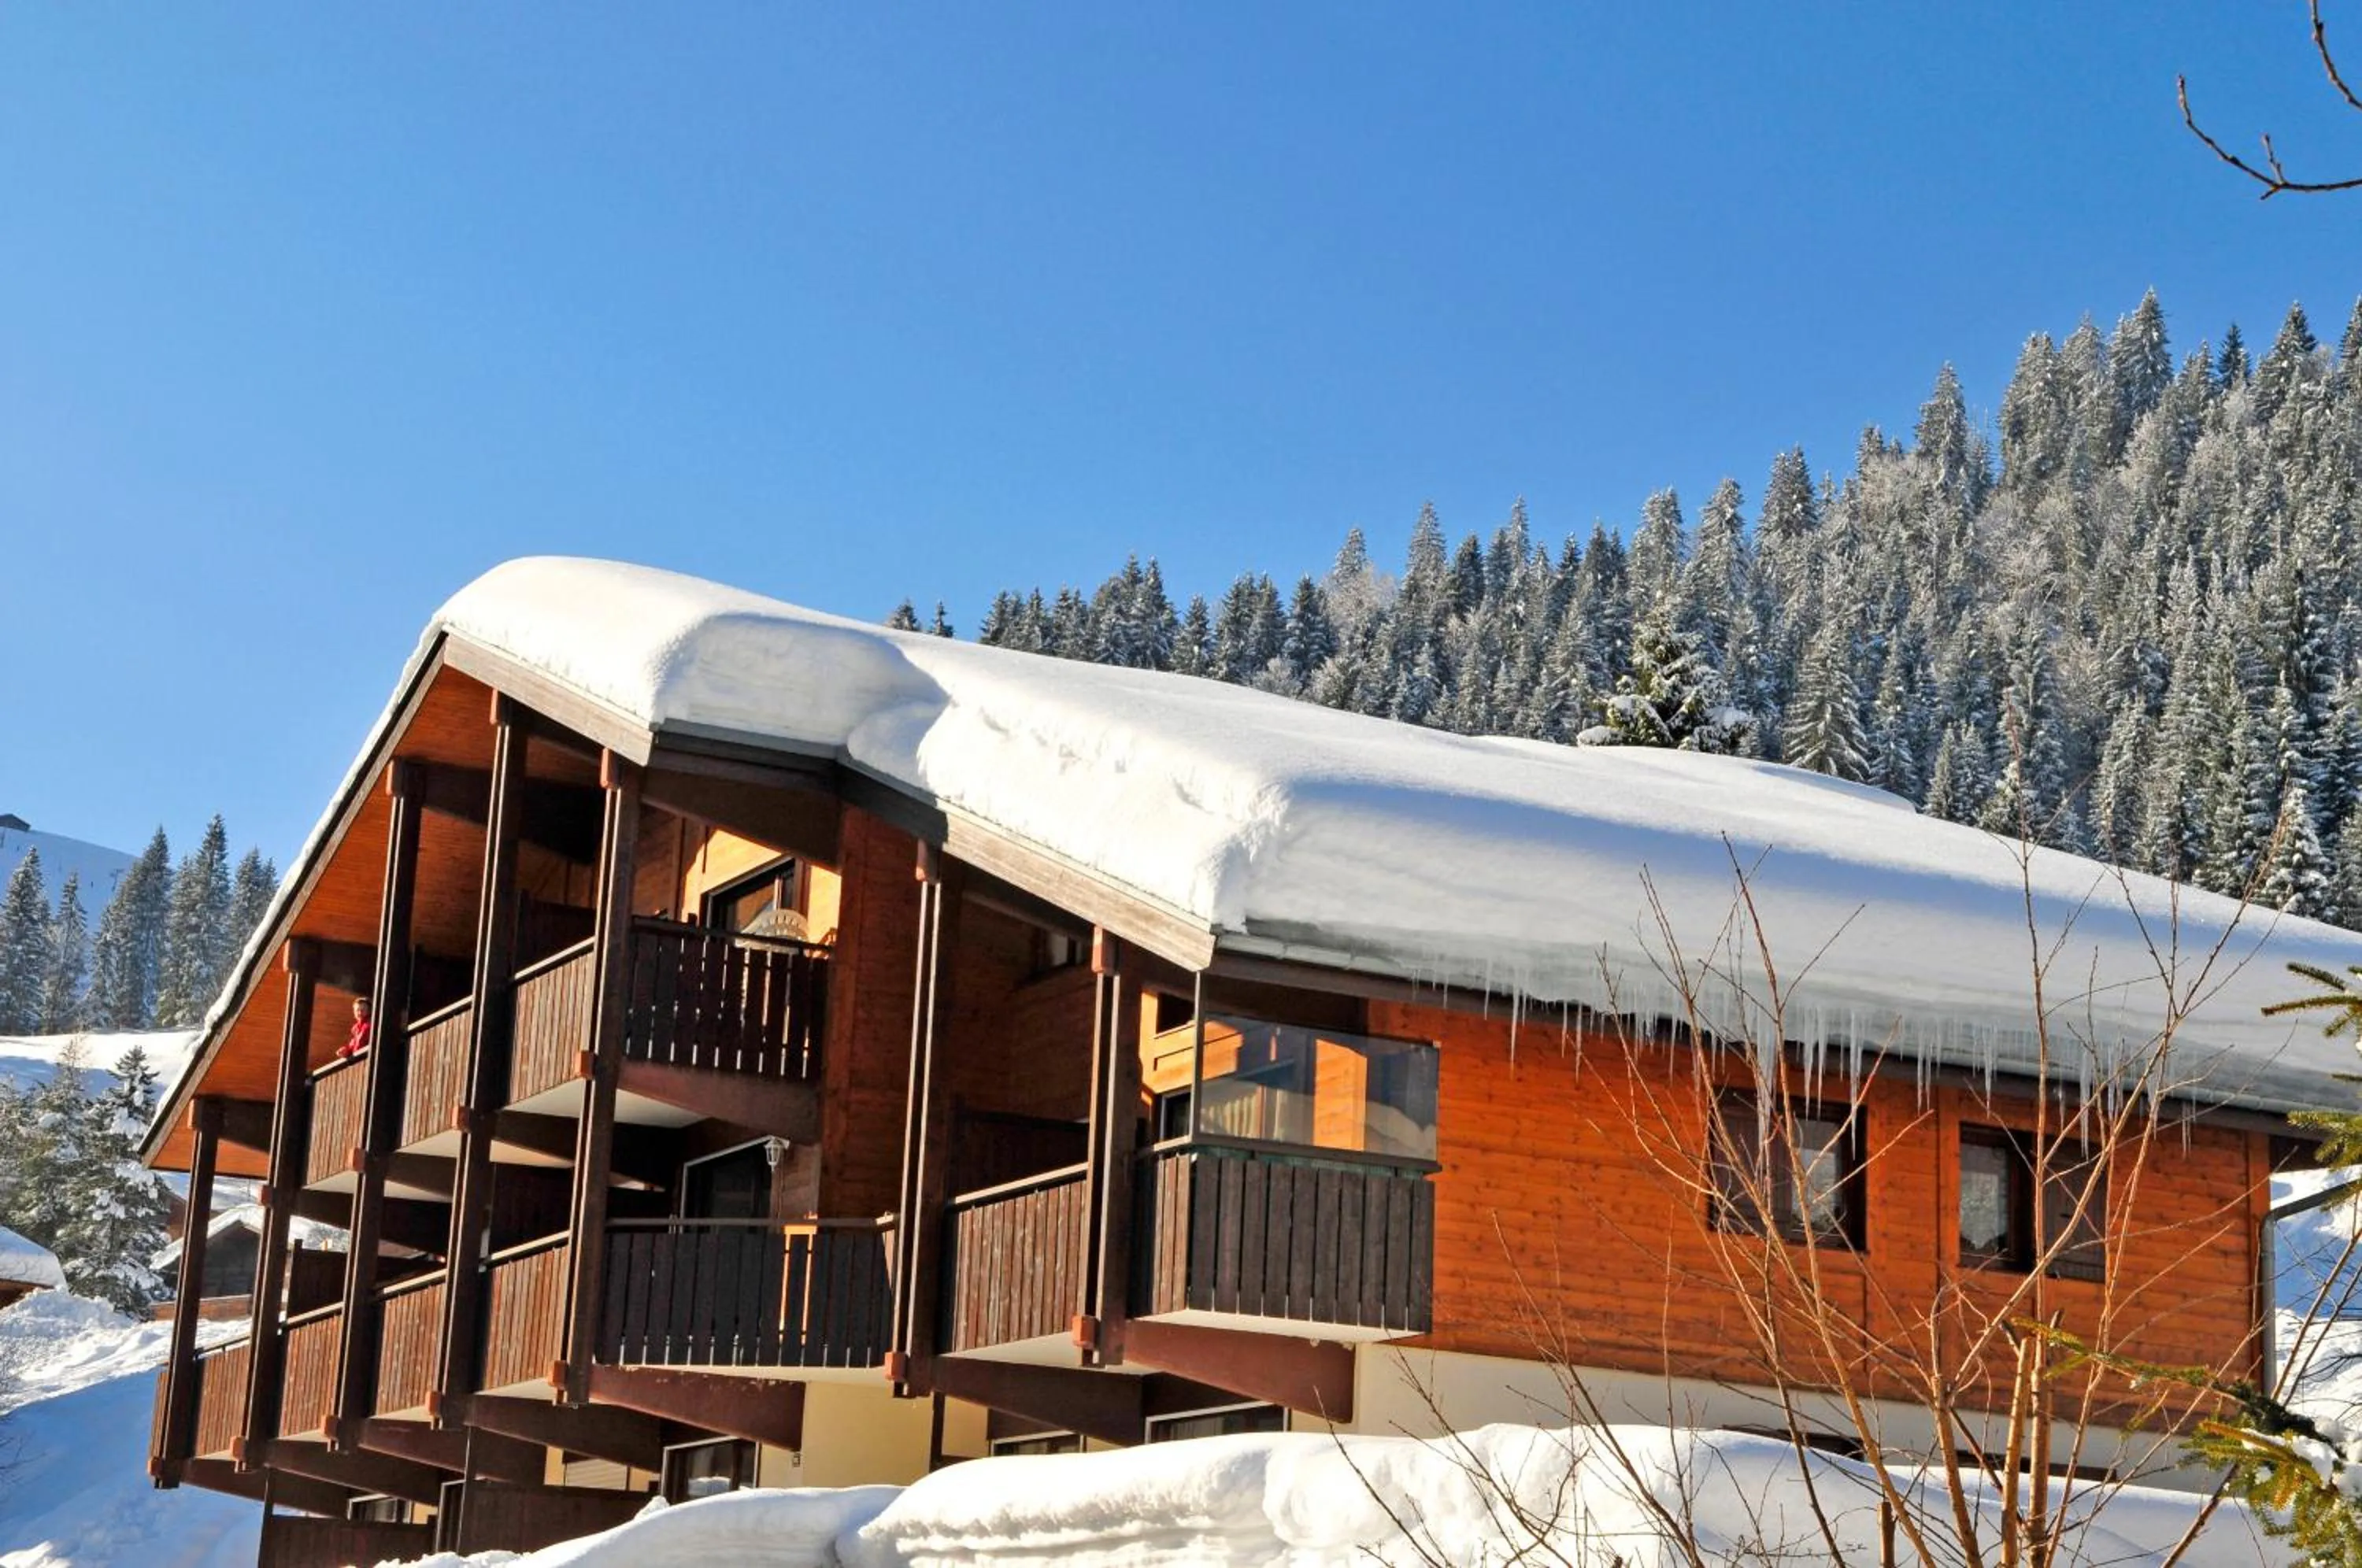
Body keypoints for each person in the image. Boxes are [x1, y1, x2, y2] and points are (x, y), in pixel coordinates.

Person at [338, 996, 372, 1060]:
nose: (360, 1013)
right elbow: (353, 1046)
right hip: (359, 1061)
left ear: (369, 1011)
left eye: (363, 1010)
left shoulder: (372, 1025)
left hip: (367, 1059)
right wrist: (346, 1050)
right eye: (357, 1010)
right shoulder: (355, 1028)